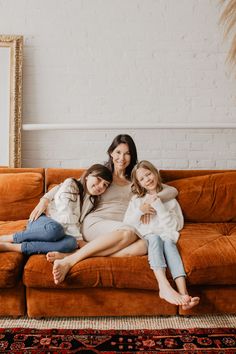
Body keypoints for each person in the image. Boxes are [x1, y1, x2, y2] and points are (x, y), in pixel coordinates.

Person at [48, 134, 179, 285]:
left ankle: (73, 254)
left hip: (122, 227)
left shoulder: (136, 179)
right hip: (96, 223)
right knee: (128, 232)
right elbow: (70, 184)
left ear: (132, 156)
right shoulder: (103, 175)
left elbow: (172, 190)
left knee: (144, 246)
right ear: (111, 153)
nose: (122, 158)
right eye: (118, 152)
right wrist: (44, 200)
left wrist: (153, 199)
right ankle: (69, 261)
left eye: (127, 153)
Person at [123, 160, 200, 310]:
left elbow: (176, 225)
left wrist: (158, 205)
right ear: (139, 183)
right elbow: (127, 223)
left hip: (167, 234)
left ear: (155, 172)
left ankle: (184, 295)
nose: (147, 179)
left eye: (148, 174)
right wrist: (141, 210)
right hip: (149, 236)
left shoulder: (169, 199)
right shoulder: (137, 200)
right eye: (142, 179)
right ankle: (163, 285)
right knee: (155, 238)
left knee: (169, 244)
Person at [0, 164, 112, 255]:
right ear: (88, 175)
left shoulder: (92, 200)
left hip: (63, 231)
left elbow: (77, 223)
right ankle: (9, 238)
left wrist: (77, 241)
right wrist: (80, 240)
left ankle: (12, 247)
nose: (101, 186)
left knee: (71, 243)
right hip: (44, 222)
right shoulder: (71, 184)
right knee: (55, 230)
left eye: (105, 185)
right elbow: (66, 214)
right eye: (98, 179)